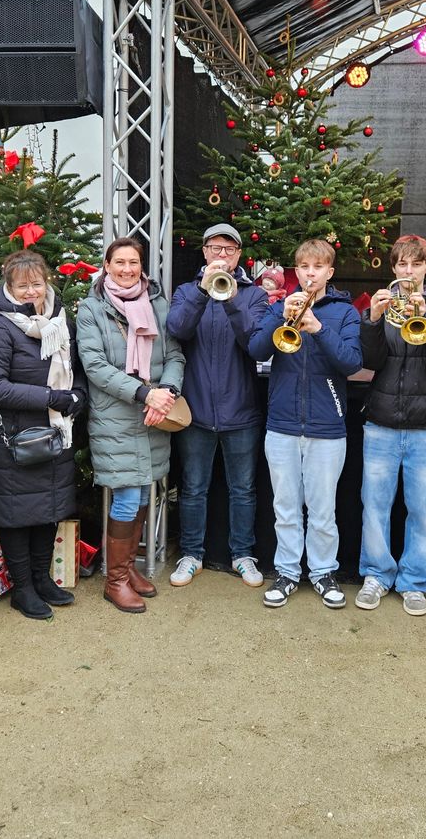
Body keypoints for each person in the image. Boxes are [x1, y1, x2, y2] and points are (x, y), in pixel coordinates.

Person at [247, 238, 362, 610]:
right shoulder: (280, 305)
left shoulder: (344, 313)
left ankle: (324, 572)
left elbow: (350, 363)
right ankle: (287, 572)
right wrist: (281, 317)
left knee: (323, 508)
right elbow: (256, 350)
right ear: (297, 271)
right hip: (281, 425)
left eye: (318, 267)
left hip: (327, 427)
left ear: (330, 272)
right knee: (285, 507)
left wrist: (317, 329)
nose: (311, 274)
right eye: (304, 267)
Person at [355, 235, 426, 616]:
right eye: (402, 264)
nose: (408, 271)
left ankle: (414, 581)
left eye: (416, 264)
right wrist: (372, 320)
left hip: (425, 427)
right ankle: (376, 575)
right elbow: (368, 360)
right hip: (381, 423)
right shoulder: (381, 307)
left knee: (420, 509)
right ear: (393, 268)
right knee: (375, 505)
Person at [0, 250, 87, 621]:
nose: (30, 292)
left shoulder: (59, 322)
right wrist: (49, 397)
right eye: (21, 285)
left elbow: (74, 369)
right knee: (17, 515)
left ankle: (43, 579)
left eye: (36, 284)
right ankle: (22, 588)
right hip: (16, 438)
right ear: (8, 287)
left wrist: (78, 396)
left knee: (49, 509)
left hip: (56, 432)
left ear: (46, 284)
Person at [76, 237, 185, 614]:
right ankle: (115, 580)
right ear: (106, 266)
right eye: (119, 262)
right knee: (125, 495)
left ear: (142, 266)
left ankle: (126, 570)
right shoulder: (92, 309)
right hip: (117, 416)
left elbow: (174, 354)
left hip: (155, 413)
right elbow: (95, 367)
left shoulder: (156, 303)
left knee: (142, 494)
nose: (126, 269)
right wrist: (144, 394)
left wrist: (167, 393)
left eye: (133, 262)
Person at [165, 223, 270, 588]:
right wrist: (201, 290)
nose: (221, 255)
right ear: (205, 252)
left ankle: (243, 554)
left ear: (239, 255)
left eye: (229, 249)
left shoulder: (254, 295)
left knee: (243, 489)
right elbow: (177, 329)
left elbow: (254, 342)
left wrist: (232, 299)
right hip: (195, 412)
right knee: (193, 488)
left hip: (241, 412)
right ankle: (191, 553)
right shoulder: (184, 291)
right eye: (215, 248)